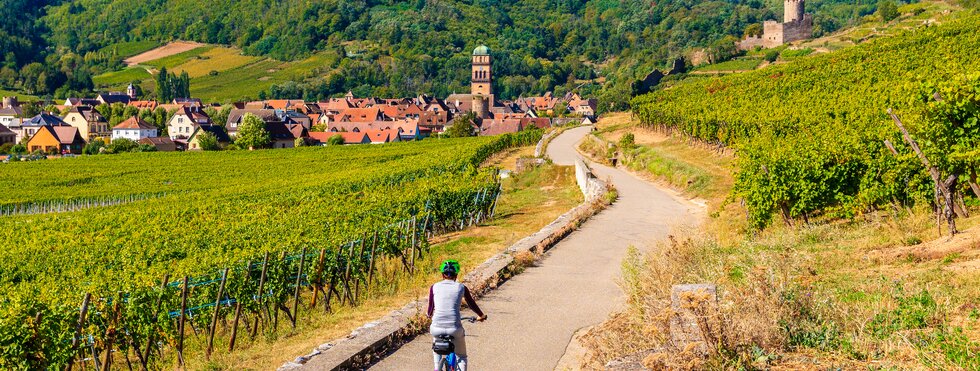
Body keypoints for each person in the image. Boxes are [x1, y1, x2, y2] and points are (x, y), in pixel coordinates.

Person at [427, 259, 487, 371]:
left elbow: (430, 310)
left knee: (436, 347)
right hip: (454, 328)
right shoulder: (461, 287)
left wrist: (429, 316)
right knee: (461, 356)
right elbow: (472, 304)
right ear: (456, 275)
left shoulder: (434, 287)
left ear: (442, 274)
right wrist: (481, 316)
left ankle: (436, 368)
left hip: (436, 327)